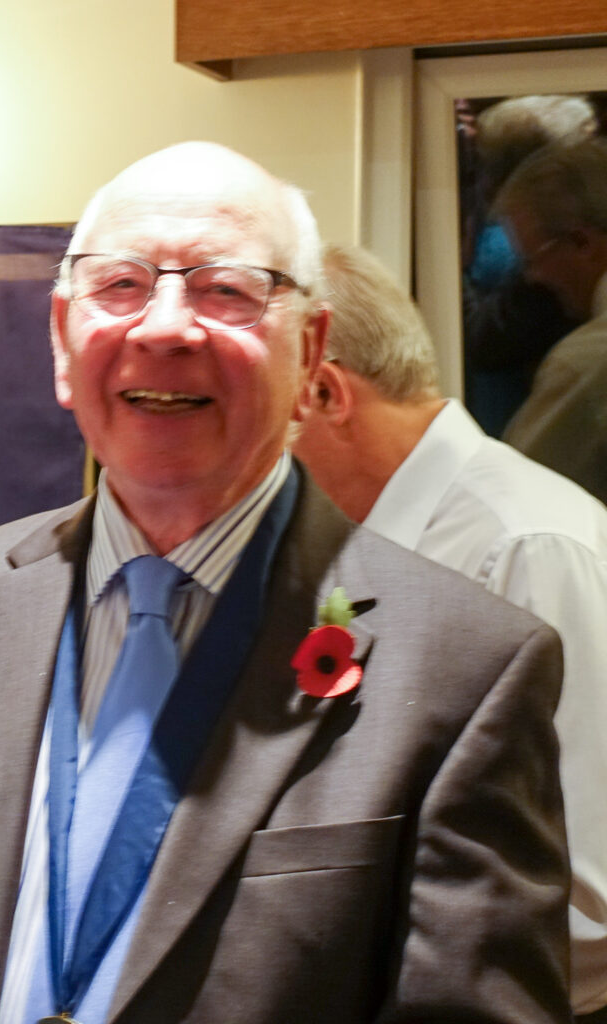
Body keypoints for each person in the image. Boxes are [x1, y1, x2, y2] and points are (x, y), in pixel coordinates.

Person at [0, 142, 570, 1024]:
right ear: (62, 340)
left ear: (310, 354)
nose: (165, 327)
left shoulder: (466, 669)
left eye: (226, 290)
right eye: (121, 284)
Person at [294, 241, 607, 1020]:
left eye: (253, 411)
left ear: (326, 393)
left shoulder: (526, 543)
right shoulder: (351, 542)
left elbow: (589, 895)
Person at [496, 137, 607, 504]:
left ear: (582, 243)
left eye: (532, 259)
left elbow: (517, 501)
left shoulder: (585, 363)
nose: (533, 278)